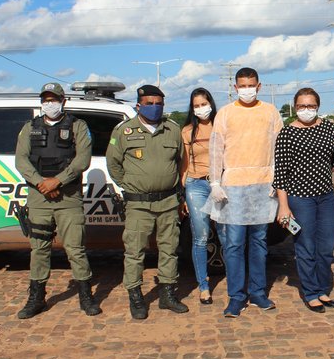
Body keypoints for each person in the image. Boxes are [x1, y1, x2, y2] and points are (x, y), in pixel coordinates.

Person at [14, 82, 100, 319]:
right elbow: (21, 160)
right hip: (39, 197)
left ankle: (85, 295)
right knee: (38, 249)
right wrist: (42, 182)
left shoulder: (77, 126)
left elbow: (83, 159)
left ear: (63, 101)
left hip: (69, 197)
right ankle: (36, 297)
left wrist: (58, 181)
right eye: (46, 100)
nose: (49, 104)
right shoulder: (29, 128)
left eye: (54, 99)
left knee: (75, 248)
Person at [205, 67, 283, 318]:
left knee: (259, 243)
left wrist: (277, 178)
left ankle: (258, 292)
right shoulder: (226, 114)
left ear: (258, 87)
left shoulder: (270, 112)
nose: (247, 90)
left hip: (263, 183)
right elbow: (216, 149)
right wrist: (215, 182)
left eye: (251, 85)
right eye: (242, 86)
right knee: (234, 244)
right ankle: (236, 296)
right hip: (234, 187)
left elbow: (278, 147)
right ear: (235, 87)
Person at [107, 84, 189, 319]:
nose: (154, 108)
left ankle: (167, 294)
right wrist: (132, 184)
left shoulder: (172, 130)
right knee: (134, 252)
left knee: (169, 250)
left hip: (167, 202)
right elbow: (114, 164)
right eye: (149, 104)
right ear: (138, 105)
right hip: (138, 204)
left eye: (159, 104)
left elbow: (179, 161)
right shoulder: (124, 131)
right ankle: (135, 296)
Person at [273, 88, 334, 313]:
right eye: (301, 106)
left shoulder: (329, 129)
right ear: (295, 107)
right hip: (299, 199)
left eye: (310, 106)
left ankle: (322, 289)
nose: (306, 110)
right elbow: (280, 174)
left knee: (327, 246)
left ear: (318, 106)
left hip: (326, 197)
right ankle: (311, 292)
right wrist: (283, 205)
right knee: (305, 246)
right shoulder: (287, 134)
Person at [180, 88, 217, 305]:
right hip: (196, 185)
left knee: (226, 235)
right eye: (196, 105)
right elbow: (184, 166)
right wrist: (183, 195)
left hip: (220, 184)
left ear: (210, 103)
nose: (201, 108)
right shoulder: (187, 132)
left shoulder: (221, 126)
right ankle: (203, 286)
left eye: (204, 103)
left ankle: (235, 282)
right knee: (200, 236)